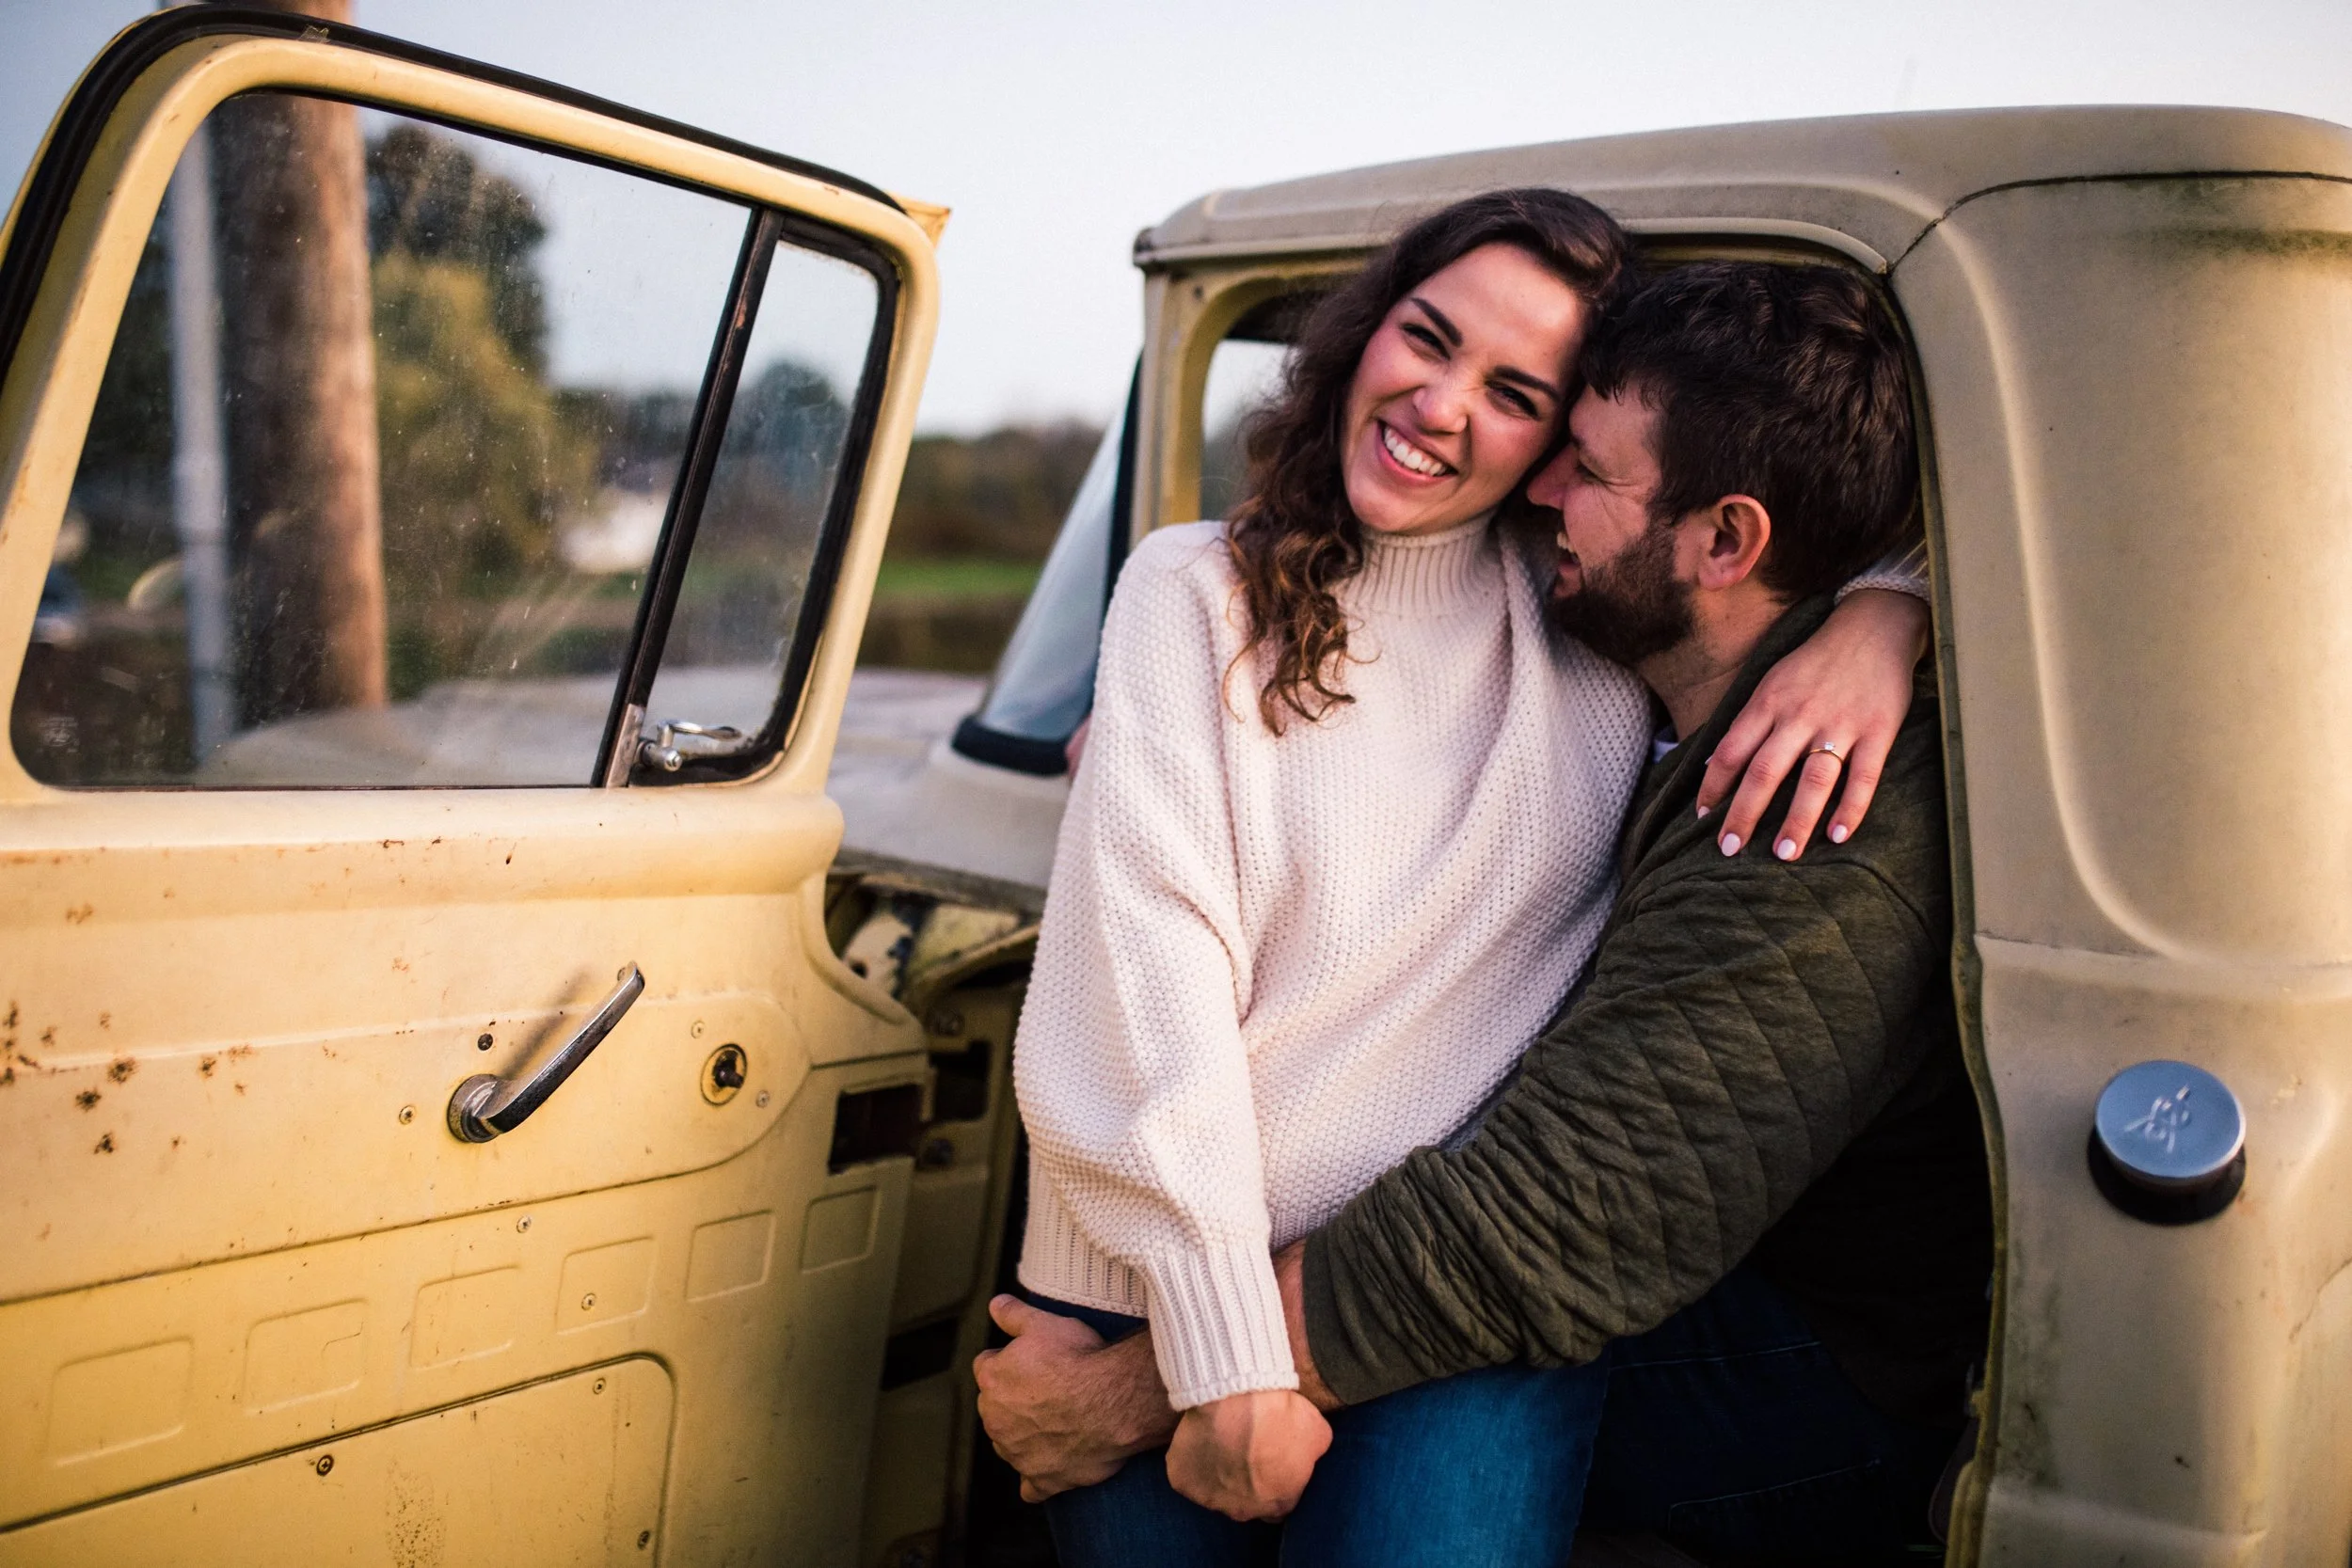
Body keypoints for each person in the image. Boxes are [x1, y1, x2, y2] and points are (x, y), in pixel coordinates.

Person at [979, 259, 1987, 1564]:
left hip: (1793, 1358)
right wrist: (1889, 599)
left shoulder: (1799, 788)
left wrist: (1132, 1393)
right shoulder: (1623, 642)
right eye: (1432, 345)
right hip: (1194, 1257)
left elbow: (1560, 1216)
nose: (1543, 489)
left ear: (1728, 542)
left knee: (1481, 1341)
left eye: (1558, 435)